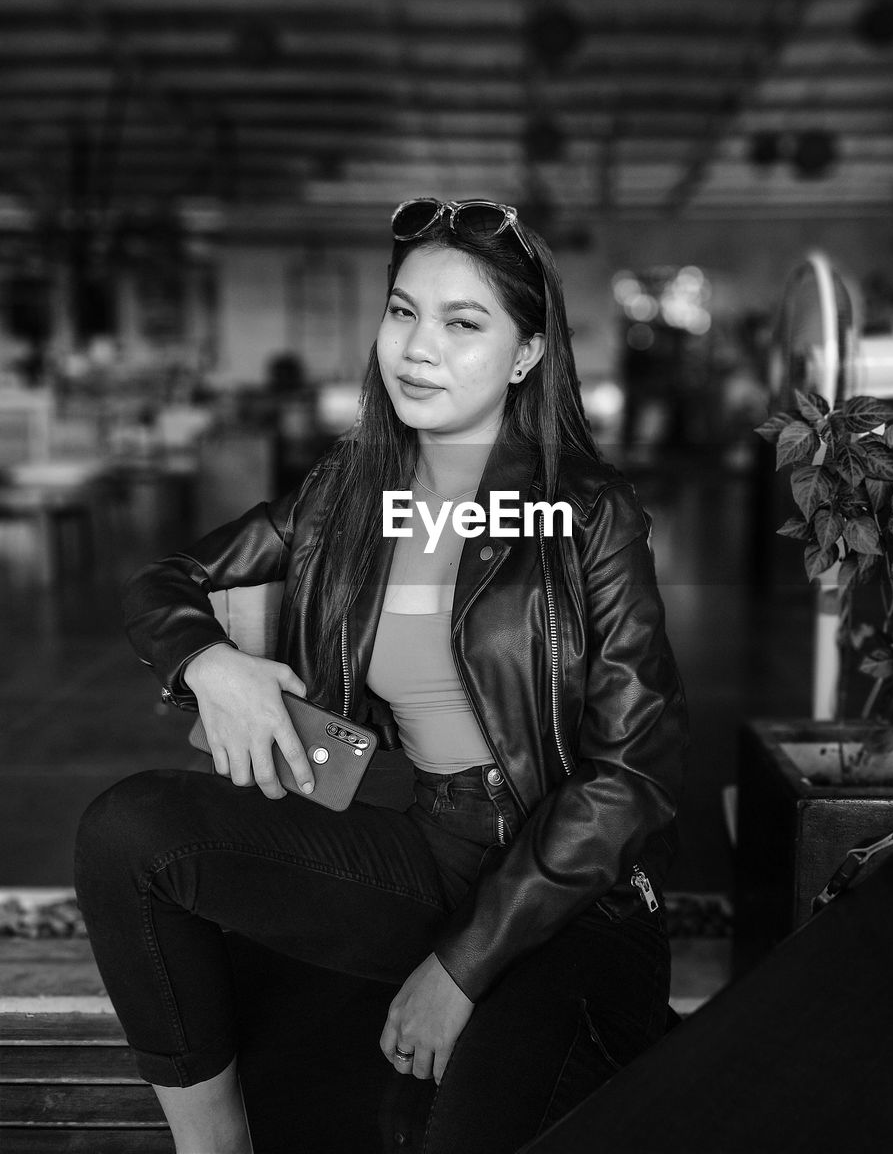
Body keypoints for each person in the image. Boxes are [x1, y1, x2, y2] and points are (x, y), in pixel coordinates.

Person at [74, 198, 688, 1154]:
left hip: (566, 894)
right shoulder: (345, 493)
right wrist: (211, 662)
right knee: (129, 834)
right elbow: (167, 582)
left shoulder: (587, 514)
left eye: (463, 322)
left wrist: (461, 967)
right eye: (403, 312)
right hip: (418, 841)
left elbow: (633, 773)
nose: (418, 347)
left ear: (526, 355)